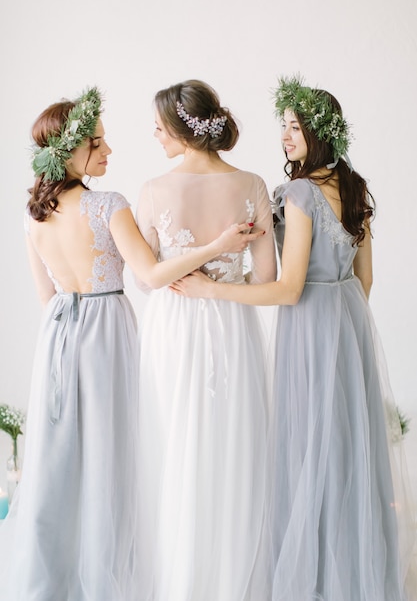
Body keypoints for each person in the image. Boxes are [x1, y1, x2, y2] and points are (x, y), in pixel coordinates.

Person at [0, 86, 262, 601]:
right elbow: (149, 273)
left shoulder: (33, 214)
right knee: (112, 452)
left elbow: (45, 294)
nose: (109, 151)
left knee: (58, 456)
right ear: (71, 150)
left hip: (56, 332)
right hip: (105, 327)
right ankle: (107, 574)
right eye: (98, 143)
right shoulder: (108, 204)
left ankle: (52, 578)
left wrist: (66, 327)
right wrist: (217, 246)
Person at [171, 76, 417, 600]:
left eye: (295, 125)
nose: (286, 134)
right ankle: (353, 571)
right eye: (282, 124)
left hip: (309, 327)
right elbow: (365, 279)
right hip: (347, 324)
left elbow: (287, 289)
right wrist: (340, 329)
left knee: (308, 448)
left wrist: (211, 292)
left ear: (318, 131)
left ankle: (316, 581)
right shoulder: (351, 184)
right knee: (345, 448)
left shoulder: (302, 192)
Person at [135, 79, 277, 600]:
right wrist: (218, 278)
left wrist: (195, 280)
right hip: (230, 323)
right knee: (232, 443)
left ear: (180, 128)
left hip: (172, 324)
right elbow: (266, 284)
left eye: (158, 126)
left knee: (174, 445)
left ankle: (181, 580)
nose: (154, 134)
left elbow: (146, 277)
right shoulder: (253, 184)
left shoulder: (153, 190)